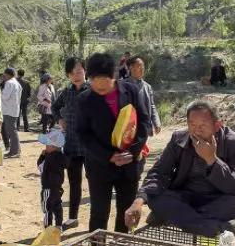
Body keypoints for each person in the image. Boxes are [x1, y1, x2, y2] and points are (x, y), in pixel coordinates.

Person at [125, 101, 235, 237]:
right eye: (192, 124)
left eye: (203, 125)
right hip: (186, 196)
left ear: (217, 125)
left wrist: (212, 160)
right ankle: (213, 227)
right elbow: (159, 172)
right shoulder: (179, 138)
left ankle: (177, 217)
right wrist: (139, 201)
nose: (197, 130)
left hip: (217, 199)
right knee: (156, 199)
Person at [77, 52, 150, 233]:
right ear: (90, 78)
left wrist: (132, 152)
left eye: (105, 87)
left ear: (114, 77)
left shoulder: (131, 91)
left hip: (129, 164)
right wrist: (108, 156)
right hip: (100, 165)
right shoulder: (84, 100)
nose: (100, 91)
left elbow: (143, 122)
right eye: (97, 87)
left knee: (126, 211)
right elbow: (83, 134)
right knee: (99, 212)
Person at [51, 57, 89, 230]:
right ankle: (72, 218)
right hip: (72, 146)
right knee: (74, 183)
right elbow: (54, 106)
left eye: (79, 71)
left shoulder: (93, 91)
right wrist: (59, 119)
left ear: (85, 71)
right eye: (72, 73)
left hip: (91, 148)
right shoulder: (67, 92)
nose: (76, 75)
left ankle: (97, 220)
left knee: (96, 184)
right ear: (68, 75)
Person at [37, 129, 67, 229]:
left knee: (47, 209)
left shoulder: (49, 157)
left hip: (48, 188)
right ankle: (59, 226)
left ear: (53, 147)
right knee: (58, 207)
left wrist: (42, 156)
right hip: (58, 188)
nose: (45, 147)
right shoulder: (62, 157)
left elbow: (40, 167)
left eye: (47, 145)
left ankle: (48, 228)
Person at [126, 55, 162, 136]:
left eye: (143, 66)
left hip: (144, 128)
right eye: (139, 66)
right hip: (128, 129)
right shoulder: (123, 85)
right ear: (131, 68)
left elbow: (152, 106)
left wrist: (156, 122)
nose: (142, 69)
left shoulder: (147, 87)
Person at [0, 67, 22, 159]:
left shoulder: (9, 83)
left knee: (11, 131)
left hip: (8, 110)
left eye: (4, 74)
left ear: (7, 74)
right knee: (13, 130)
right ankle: (17, 150)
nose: (4, 76)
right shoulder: (17, 83)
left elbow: (4, 97)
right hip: (14, 109)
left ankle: (14, 152)